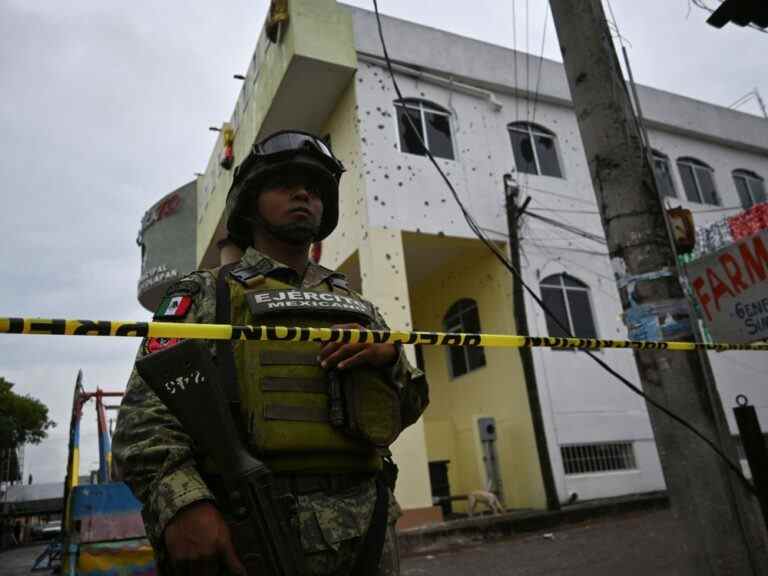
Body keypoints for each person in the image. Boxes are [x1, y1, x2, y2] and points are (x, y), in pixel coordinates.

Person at [113, 129, 429, 576]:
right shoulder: (205, 293)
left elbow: (408, 408)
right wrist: (183, 505)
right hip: (252, 529)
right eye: (284, 184)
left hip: (370, 531)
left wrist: (387, 360)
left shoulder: (357, 305)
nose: (304, 194)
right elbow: (142, 421)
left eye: (316, 189)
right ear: (249, 203)